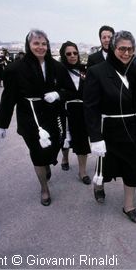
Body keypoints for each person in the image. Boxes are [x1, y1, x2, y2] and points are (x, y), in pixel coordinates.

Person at [0, 29, 68, 206]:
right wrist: (1, 123)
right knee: (37, 153)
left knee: (53, 148)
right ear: (28, 45)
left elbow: (70, 90)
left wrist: (58, 94)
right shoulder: (14, 69)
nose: (40, 47)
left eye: (44, 43)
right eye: (36, 43)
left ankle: (48, 163)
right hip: (30, 118)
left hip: (53, 117)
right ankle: (44, 188)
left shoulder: (57, 67)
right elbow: (8, 97)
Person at [83, 30, 136, 223]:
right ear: (113, 48)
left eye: (130, 49)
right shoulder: (98, 71)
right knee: (106, 165)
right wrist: (95, 137)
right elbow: (90, 107)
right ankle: (99, 185)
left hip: (132, 127)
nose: (126, 53)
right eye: (122, 49)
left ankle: (129, 206)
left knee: (132, 167)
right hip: (107, 128)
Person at [58, 41, 91, 184]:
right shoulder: (59, 72)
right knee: (65, 137)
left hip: (82, 111)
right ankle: (65, 158)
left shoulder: (85, 71)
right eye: (69, 54)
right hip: (65, 110)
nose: (72, 56)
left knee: (82, 141)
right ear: (64, 56)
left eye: (75, 53)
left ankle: (82, 172)